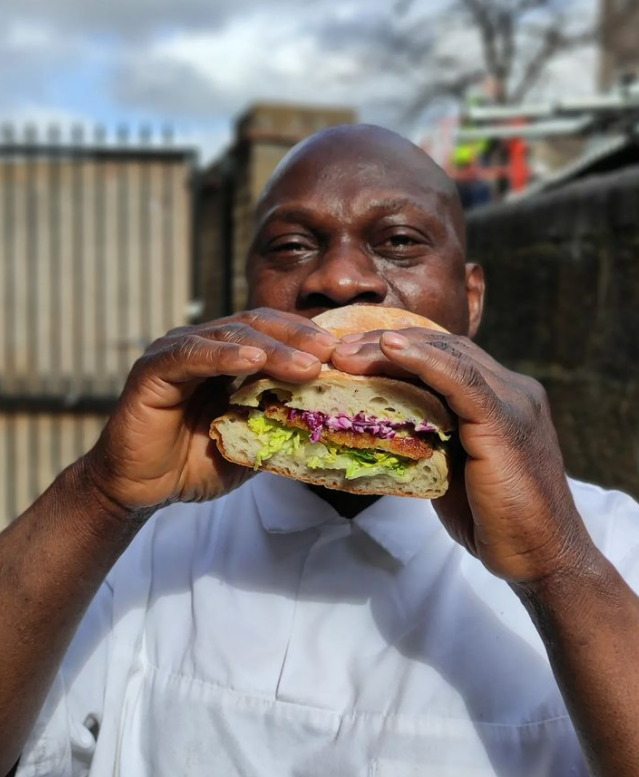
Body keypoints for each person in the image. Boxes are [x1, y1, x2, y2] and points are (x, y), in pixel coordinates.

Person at [2, 124, 639, 777]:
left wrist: (556, 567)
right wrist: (99, 492)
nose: (337, 279)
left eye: (397, 242)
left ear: (468, 301)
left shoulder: (609, 545)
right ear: (249, 293)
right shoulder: (133, 543)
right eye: (291, 246)